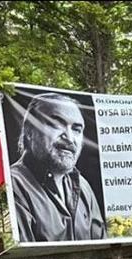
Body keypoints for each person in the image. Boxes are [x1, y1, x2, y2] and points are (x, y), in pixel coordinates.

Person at [10, 93, 107, 242]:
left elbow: (102, 245)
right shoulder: (13, 185)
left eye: (76, 129)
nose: (69, 137)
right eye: (56, 124)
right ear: (29, 131)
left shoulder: (83, 187)